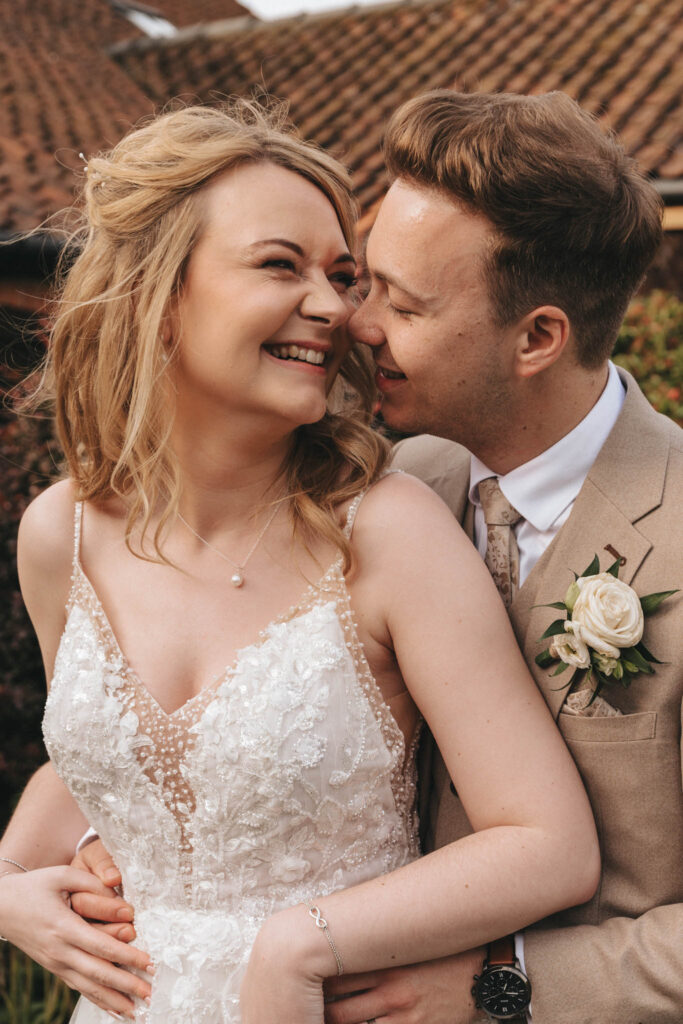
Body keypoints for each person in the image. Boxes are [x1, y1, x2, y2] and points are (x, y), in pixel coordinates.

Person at [0, 100, 599, 1023]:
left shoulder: (386, 530)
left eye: (342, 274)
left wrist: (302, 940)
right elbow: (100, 765)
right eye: (281, 265)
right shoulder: (59, 536)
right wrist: (5, 887)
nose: (335, 308)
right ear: (160, 295)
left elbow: (547, 841)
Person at [319, 90, 682, 1023]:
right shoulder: (403, 481)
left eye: (400, 302)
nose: (356, 323)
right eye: (366, 282)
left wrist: (505, 986)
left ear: (537, 337)